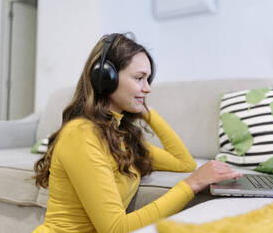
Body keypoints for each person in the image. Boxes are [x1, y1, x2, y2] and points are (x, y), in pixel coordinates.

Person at [33, 33, 242, 233]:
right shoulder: (81, 135)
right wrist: (192, 184)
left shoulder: (121, 135)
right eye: (139, 78)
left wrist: (149, 114)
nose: (148, 88)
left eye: (148, 79)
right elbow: (115, 228)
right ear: (106, 78)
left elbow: (183, 163)